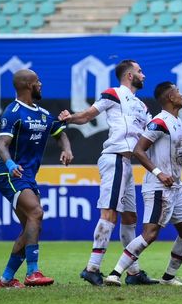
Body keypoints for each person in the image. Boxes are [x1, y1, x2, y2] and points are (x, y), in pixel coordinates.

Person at [58, 59, 157, 286]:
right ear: (129, 75)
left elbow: (154, 131)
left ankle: (133, 272)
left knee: (130, 217)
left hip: (129, 163)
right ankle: (92, 268)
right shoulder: (113, 93)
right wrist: (70, 118)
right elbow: (87, 115)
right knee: (109, 213)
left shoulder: (142, 106)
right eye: (140, 71)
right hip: (115, 158)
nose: (144, 75)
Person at [104, 81, 182, 287]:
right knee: (149, 234)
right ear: (169, 98)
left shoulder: (176, 121)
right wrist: (158, 173)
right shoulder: (159, 122)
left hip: (176, 186)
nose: (181, 95)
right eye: (178, 92)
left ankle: (168, 277)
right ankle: (115, 273)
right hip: (159, 187)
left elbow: (172, 154)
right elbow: (139, 150)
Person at [0, 69, 73, 288]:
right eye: (38, 81)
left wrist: (66, 149)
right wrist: (9, 164)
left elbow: (60, 133)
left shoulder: (44, 114)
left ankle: (6, 279)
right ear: (29, 85)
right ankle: (33, 272)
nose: (41, 84)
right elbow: (2, 145)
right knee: (36, 213)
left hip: (27, 176)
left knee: (31, 225)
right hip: (9, 174)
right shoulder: (13, 112)